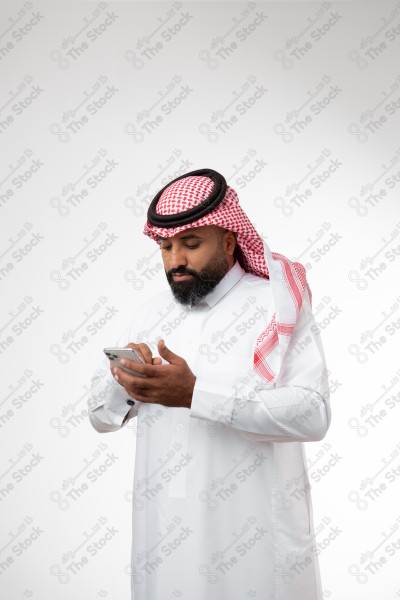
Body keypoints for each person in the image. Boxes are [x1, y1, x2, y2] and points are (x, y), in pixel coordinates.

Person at [87, 168, 331, 600]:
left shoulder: (276, 304)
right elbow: (101, 419)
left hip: (254, 540)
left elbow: (313, 414)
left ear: (230, 241)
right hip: (162, 537)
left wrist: (194, 395)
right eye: (165, 247)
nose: (175, 260)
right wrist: (124, 384)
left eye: (191, 244)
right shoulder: (148, 313)